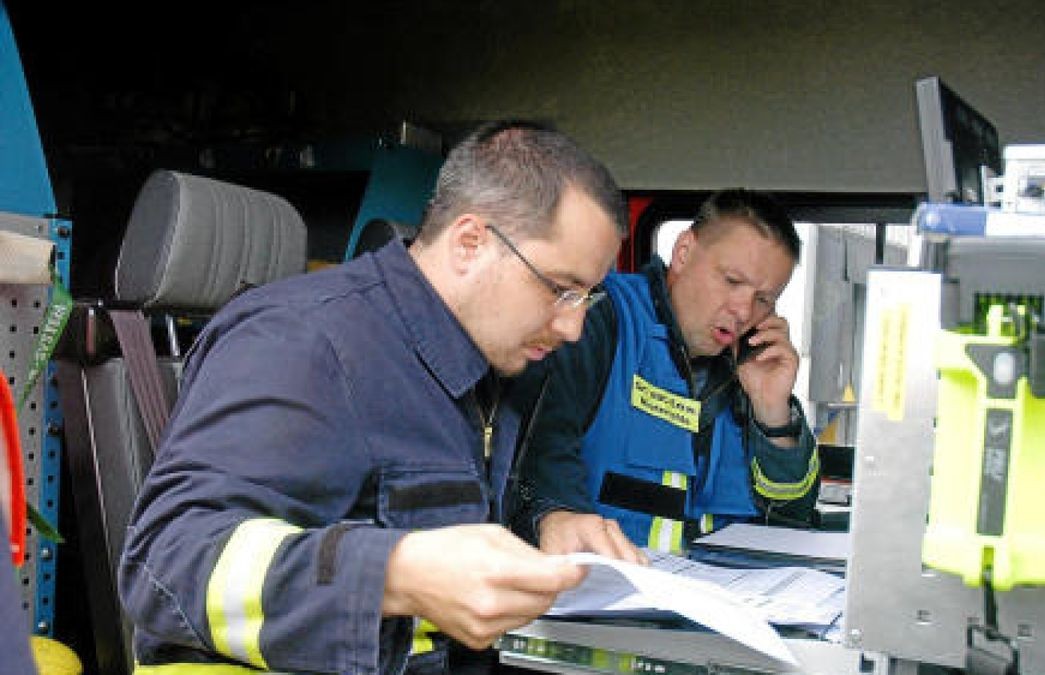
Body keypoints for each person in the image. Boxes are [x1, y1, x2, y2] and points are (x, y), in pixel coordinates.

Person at [118, 121, 640, 675]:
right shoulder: (306, 342)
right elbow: (165, 566)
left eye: (588, 296)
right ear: (470, 243)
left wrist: (548, 515)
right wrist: (394, 574)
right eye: (561, 289)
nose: (574, 327)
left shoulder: (498, 365)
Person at [515, 189, 820, 556]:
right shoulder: (597, 320)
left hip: (724, 596)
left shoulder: (751, 372)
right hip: (606, 594)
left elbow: (790, 523)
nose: (743, 311)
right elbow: (536, 449)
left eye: (764, 299)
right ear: (684, 252)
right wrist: (557, 514)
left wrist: (772, 413)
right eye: (732, 281)